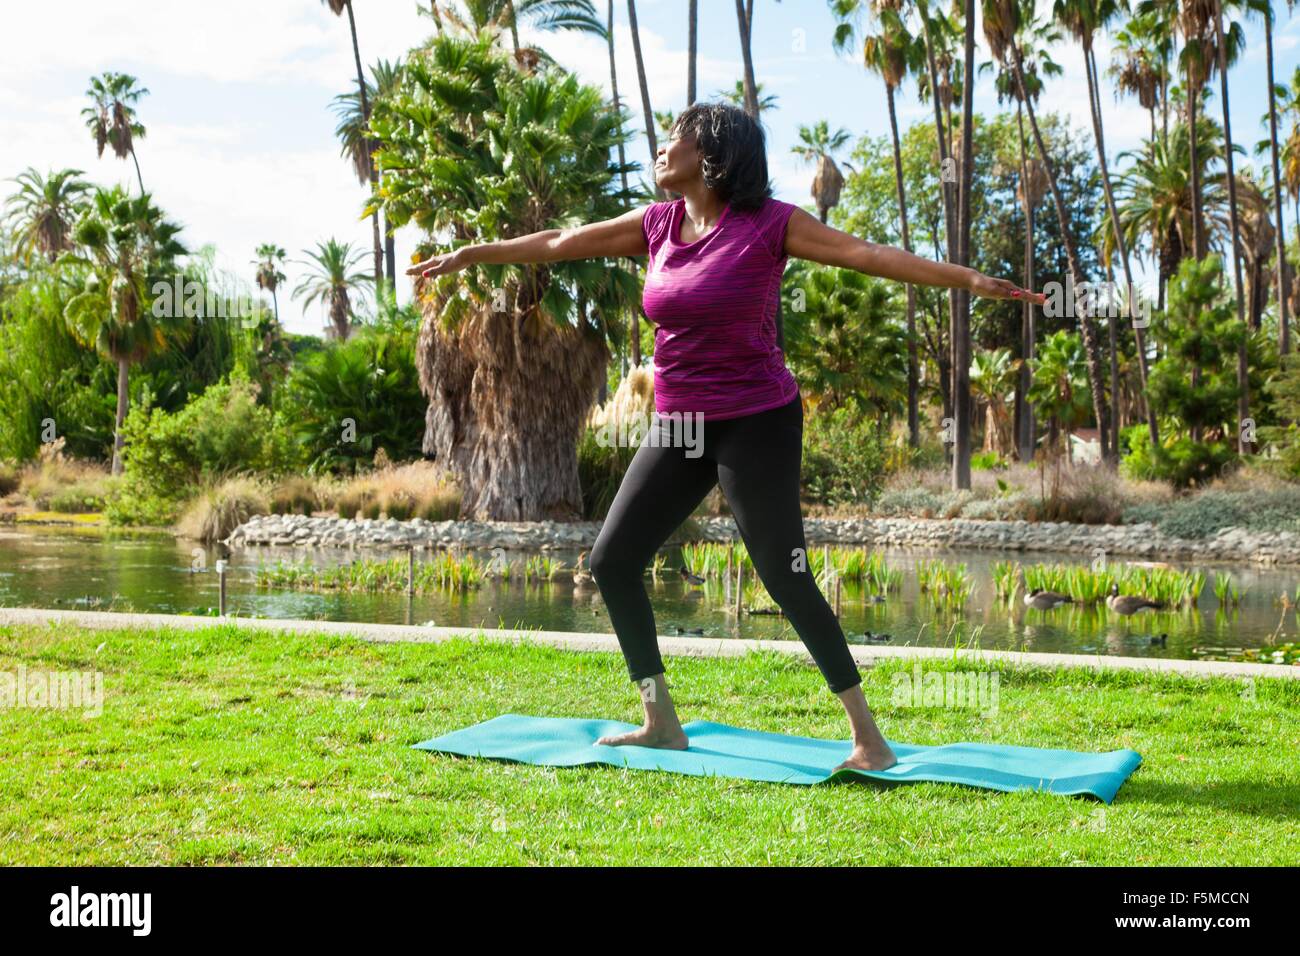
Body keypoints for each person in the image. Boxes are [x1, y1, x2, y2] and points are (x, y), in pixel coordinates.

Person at [408, 102, 1045, 773]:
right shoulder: (657, 225)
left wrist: (969, 280)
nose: (661, 150)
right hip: (681, 423)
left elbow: (866, 254)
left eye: (673, 140)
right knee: (611, 561)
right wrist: (473, 254)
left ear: (711, 154)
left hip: (756, 419)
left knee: (785, 574)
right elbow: (563, 242)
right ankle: (660, 720)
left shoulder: (770, 225)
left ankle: (869, 740)